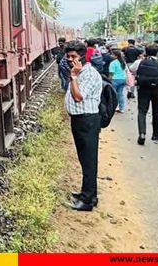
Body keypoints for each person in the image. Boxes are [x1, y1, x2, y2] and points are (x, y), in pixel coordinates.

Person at [63, 41, 103, 211]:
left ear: (82, 57)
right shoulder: (81, 72)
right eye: (68, 56)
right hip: (80, 120)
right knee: (85, 159)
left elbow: (78, 97)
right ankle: (89, 195)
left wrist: (73, 76)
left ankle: (87, 201)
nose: (70, 59)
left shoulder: (88, 74)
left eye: (73, 56)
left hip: (87, 120)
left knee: (89, 161)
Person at [129, 44, 158, 145]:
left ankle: (142, 133)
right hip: (157, 89)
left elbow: (131, 69)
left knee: (142, 111)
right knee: (157, 111)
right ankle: (156, 134)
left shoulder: (139, 62)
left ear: (145, 52)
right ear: (157, 53)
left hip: (143, 88)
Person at [108, 49, 127, 113]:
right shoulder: (123, 62)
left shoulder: (113, 63)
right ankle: (122, 108)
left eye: (112, 54)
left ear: (116, 56)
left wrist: (109, 80)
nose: (111, 56)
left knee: (113, 95)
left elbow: (111, 73)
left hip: (115, 80)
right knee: (120, 94)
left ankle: (114, 107)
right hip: (123, 79)